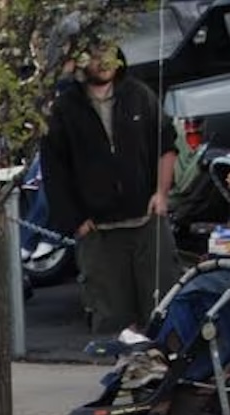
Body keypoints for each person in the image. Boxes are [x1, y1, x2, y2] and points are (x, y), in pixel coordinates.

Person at [41, 41, 178, 338]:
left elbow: (167, 144)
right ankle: (126, 374)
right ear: (79, 62)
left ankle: (163, 374)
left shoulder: (140, 95)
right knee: (113, 320)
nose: (103, 62)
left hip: (146, 221)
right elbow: (54, 172)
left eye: (108, 54)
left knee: (162, 309)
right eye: (94, 54)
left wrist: (162, 193)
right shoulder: (64, 109)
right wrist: (74, 221)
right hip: (99, 230)